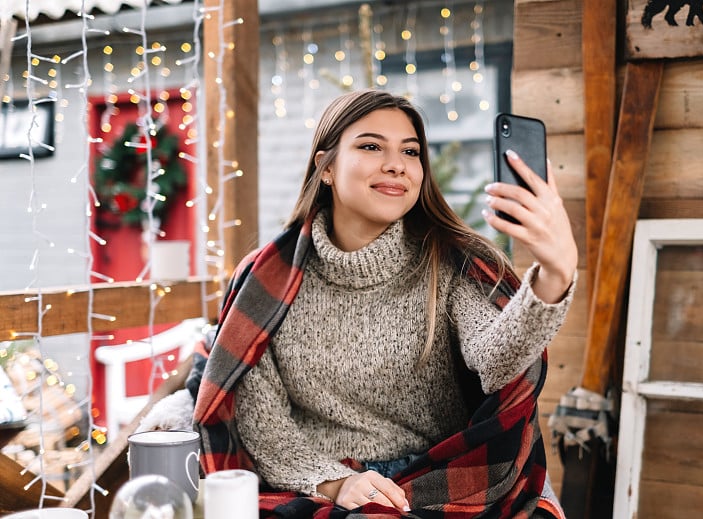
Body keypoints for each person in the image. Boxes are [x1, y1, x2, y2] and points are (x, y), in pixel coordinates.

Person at [188, 89, 577, 518]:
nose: (396, 164)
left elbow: (498, 364)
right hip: (321, 484)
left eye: (410, 151)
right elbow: (265, 428)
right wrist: (336, 481)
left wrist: (553, 277)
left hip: (443, 479)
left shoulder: (450, 263)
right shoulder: (267, 281)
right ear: (327, 167)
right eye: (371, 146)